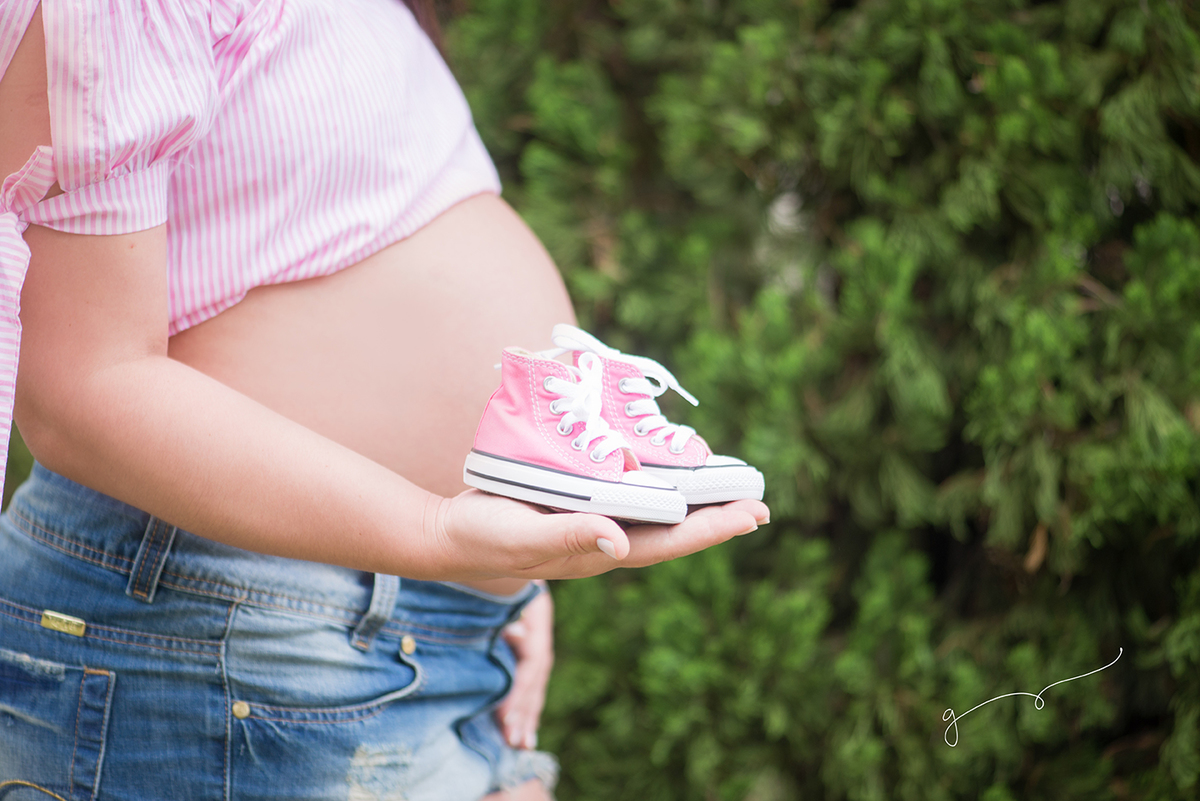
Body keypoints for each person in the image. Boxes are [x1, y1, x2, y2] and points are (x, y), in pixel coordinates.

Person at [0, 1, 770, 799]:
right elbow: (75, 390)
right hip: (227, 641)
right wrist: (434, 533)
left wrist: (502, 577)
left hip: (419, 633)